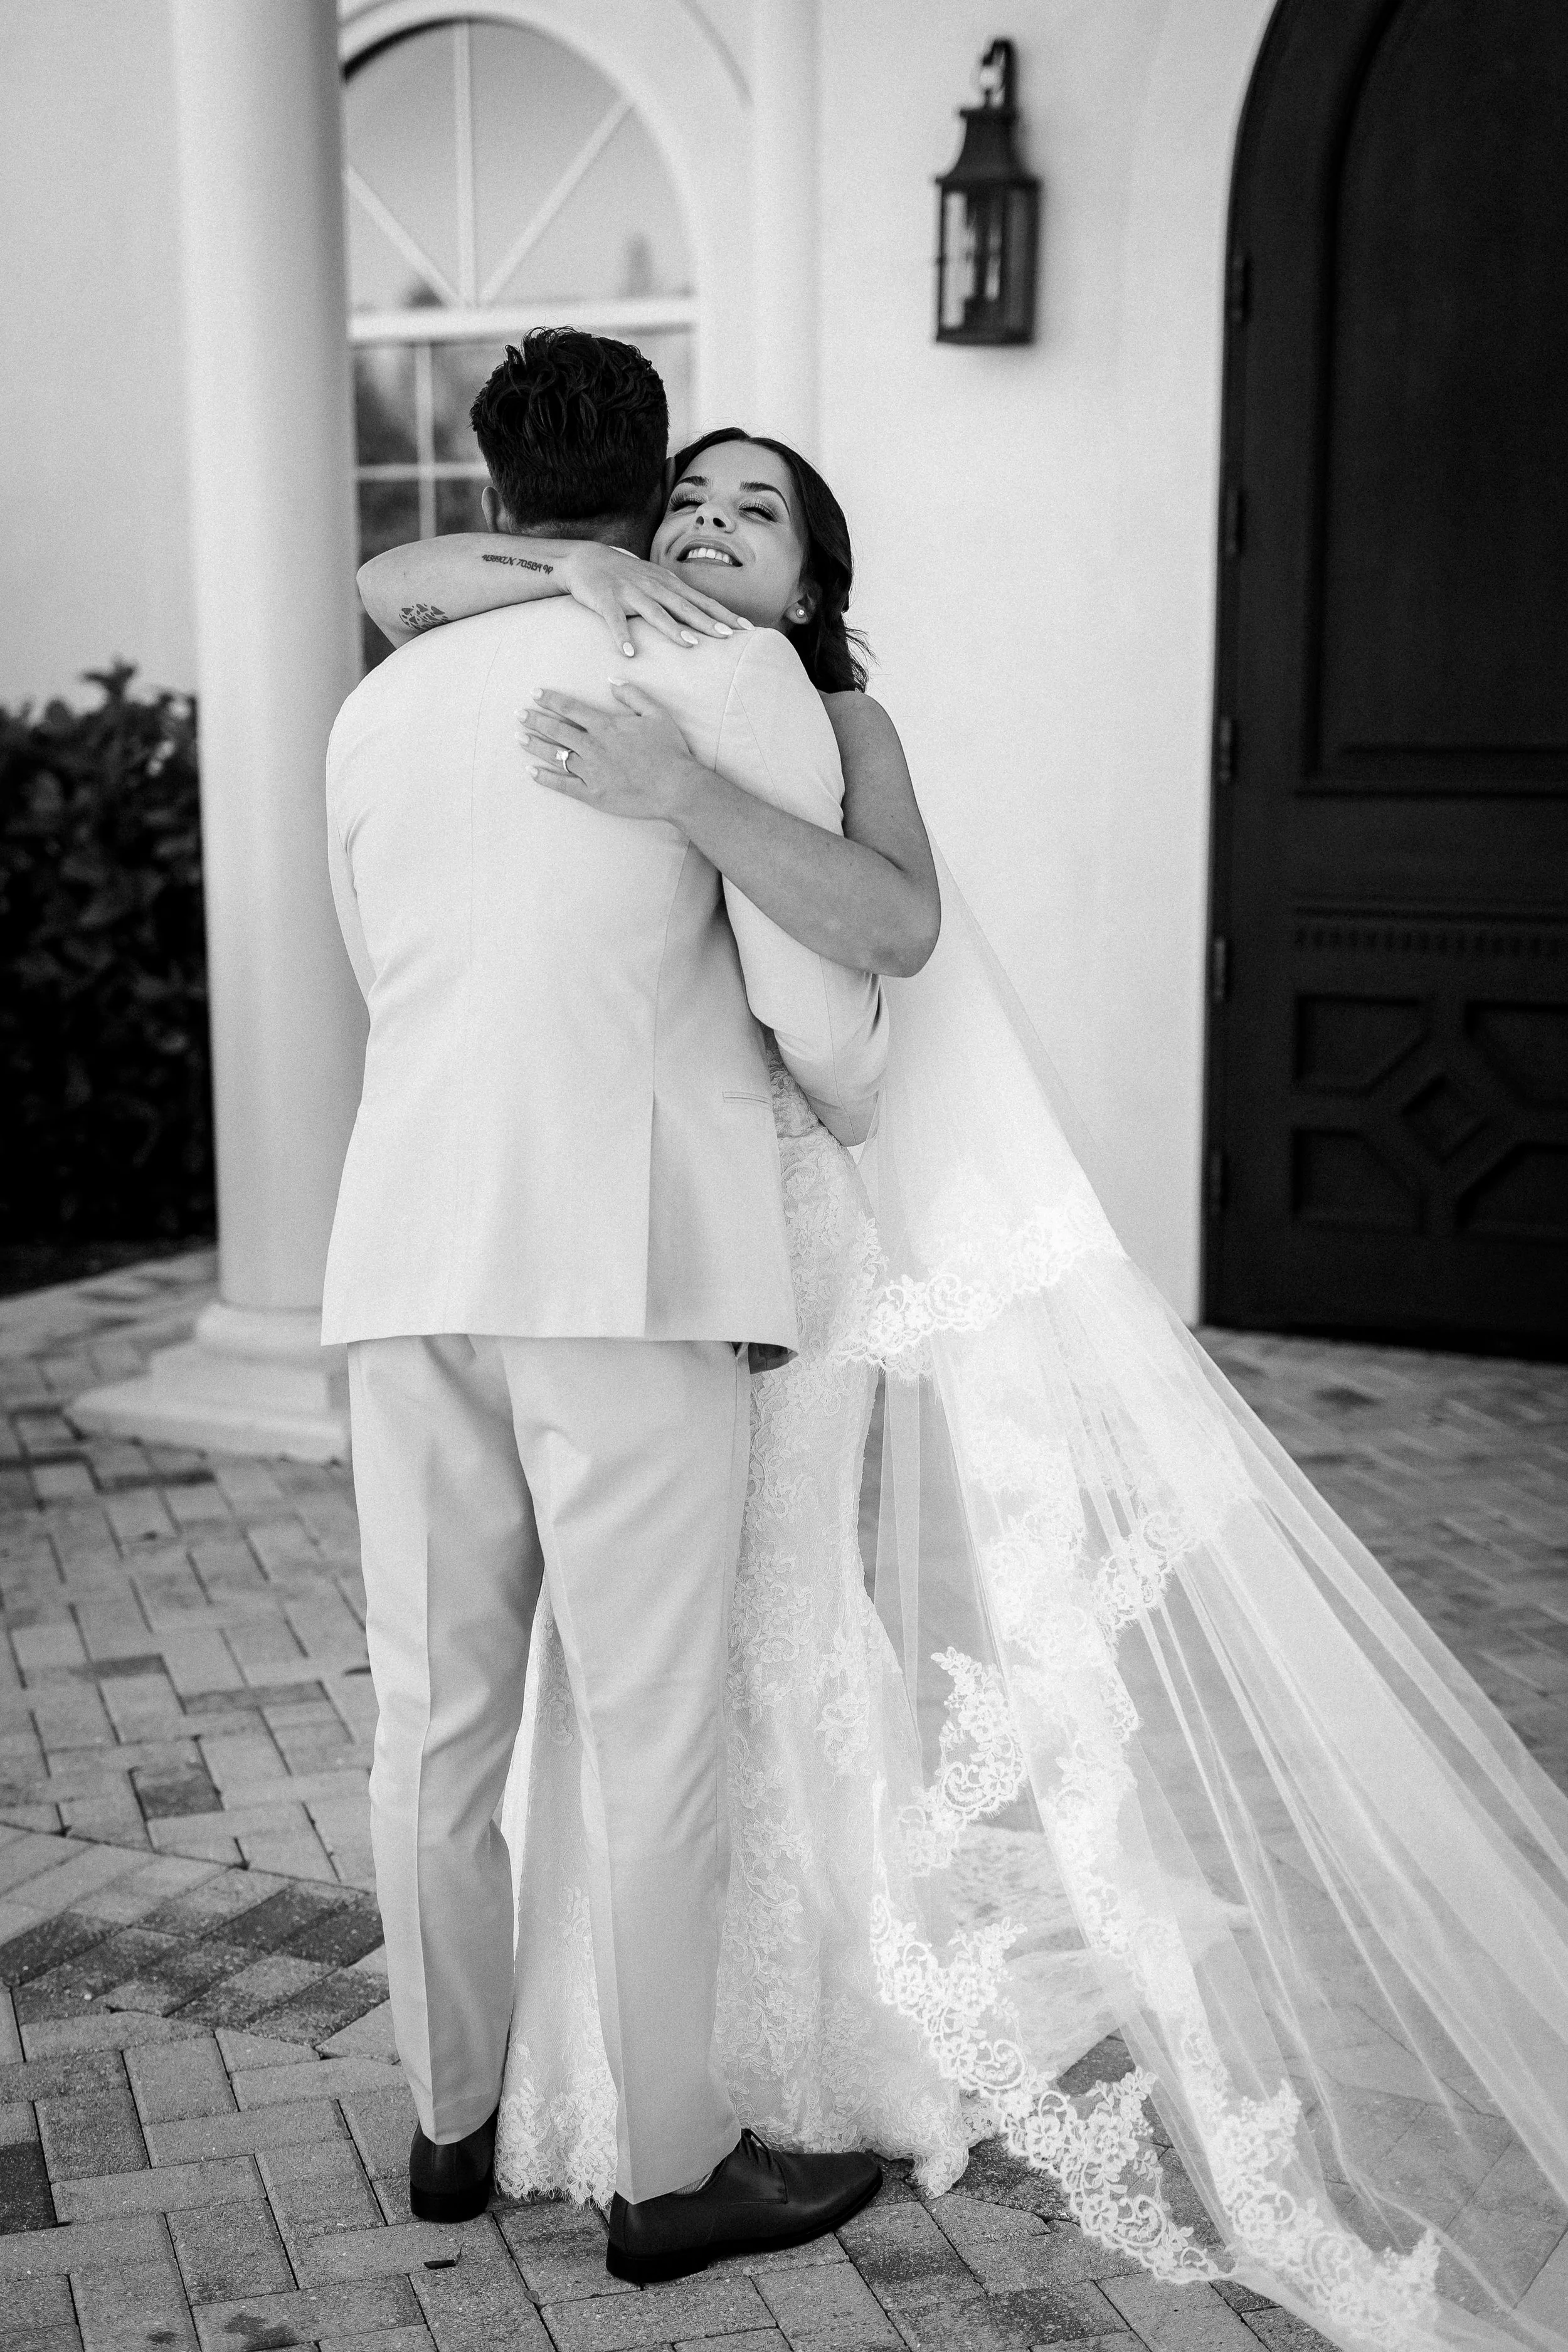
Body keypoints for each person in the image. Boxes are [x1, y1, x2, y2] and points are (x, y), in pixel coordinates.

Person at [363, 391, 1568, 2352]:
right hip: (638, 1219)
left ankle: (726, 2045)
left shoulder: (812, 717)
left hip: (764, 1221)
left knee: (726, 1648)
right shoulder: (606, 639)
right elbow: (396, 574)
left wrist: (685, 792)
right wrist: (568, 560)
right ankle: (622, 2081)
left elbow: (891, 934)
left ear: (818, 577)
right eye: (683, 501)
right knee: (632, 1669)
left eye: (757, 509)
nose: (710, 524)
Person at [324, 329, 889, 2287]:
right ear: (657, 494)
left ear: (492, 487)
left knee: (434, 1716)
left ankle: (449, 2124)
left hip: (401, 1249)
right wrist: (858, 1111)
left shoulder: (384, 699)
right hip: (632, 1259)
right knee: (651, 1723)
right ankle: (668, 2166)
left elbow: (379, 953)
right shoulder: (720, 666)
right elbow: (819, 998)